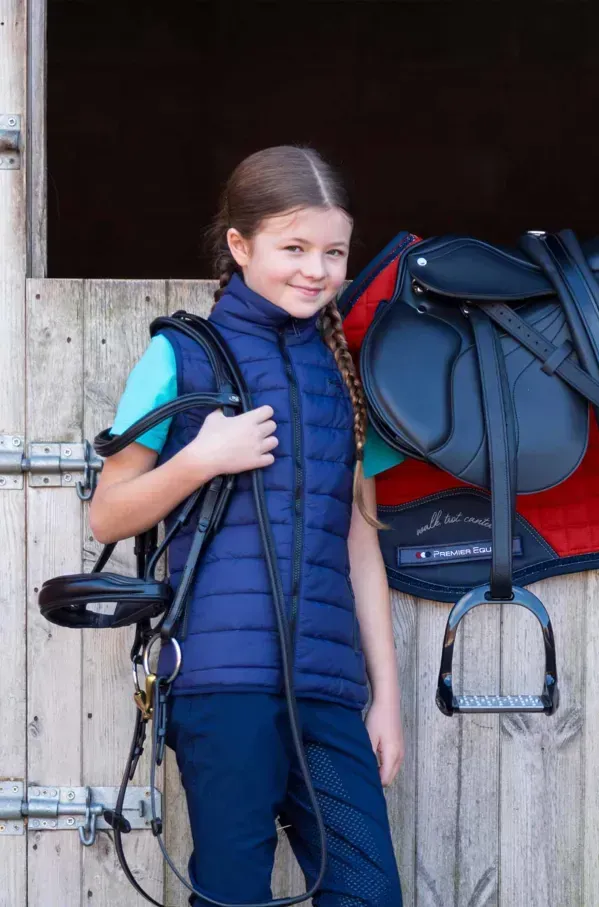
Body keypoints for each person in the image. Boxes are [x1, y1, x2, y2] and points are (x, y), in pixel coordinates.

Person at [88, 145, 405, 907]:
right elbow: (108, 508)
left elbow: (359, 538)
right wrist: (203, 458)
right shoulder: (180, 356)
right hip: (222, 687)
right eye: (293, 248)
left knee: (367, 891)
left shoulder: (346, 369)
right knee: (232, 892)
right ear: (240, 246)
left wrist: (385, 694)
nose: (316, 269)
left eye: (334, 251)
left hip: (327, 691)